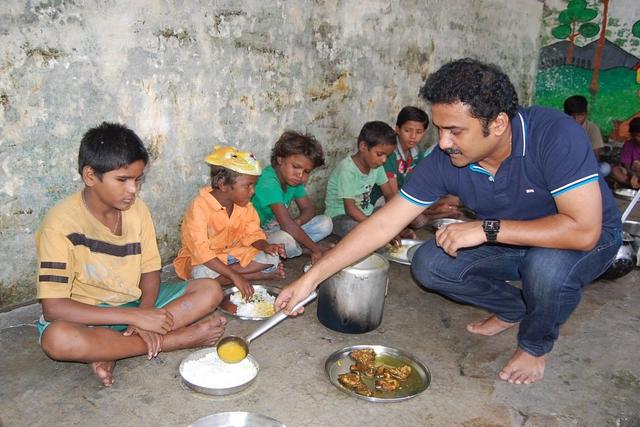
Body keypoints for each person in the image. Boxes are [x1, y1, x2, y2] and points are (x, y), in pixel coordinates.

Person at [276, 58, 622, 386]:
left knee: (546, 269)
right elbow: (383, 224)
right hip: (515, 241)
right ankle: (512, 308)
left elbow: (583, 231)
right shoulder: (447, 158)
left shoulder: (554, 136)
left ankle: (534, 345)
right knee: (429, 264)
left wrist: (487, 229)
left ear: (498, 124)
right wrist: (312, 279)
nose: (442, 143)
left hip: (585, 241)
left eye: (455, 131)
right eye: (439, 129)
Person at [36, 122, 227, 387]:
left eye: (137, 179)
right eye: (122, 180)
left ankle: (111, 349)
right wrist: (133, 318)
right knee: (57, 340)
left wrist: (145, 313)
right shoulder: (60, 224)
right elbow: (53, 307)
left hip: (133, 303)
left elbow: (150, 270)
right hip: (88, 315)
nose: (133, 190)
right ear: (90, 176)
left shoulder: (138, 211)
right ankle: (176, 341)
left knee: (210, 290)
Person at [173, 145, 286, 299]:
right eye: (248, 186)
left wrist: (266, 246)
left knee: (272, 257)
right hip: (206, 261)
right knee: (201, 275)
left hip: (235, 255)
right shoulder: (199, 207)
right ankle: (253, 275)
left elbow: (252, 234)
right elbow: (202, 253)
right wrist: (235, 276)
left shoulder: (245, 205)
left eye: (254, 185)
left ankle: (230, 277)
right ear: (223, 184)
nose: (253, 191)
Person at [371, 106, 463, 228]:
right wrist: (431, 208)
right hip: (385, 202)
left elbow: (420, 187)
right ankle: (430, 217)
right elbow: (392, 196)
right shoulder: (389, 153)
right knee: (418, 220)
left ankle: (428, 216)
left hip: (405, 199)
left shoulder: (416, 153)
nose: (413, 136)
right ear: (397, 129)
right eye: (408, 131)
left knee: (454, 199)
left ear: (424, 133)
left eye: (419, 132)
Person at [251, 131, 334, 264]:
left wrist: (297, 222)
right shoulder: (268, 182)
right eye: (296, 167)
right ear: (280, 159)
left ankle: (297, 247)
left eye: (306, 171)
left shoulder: (293, 180)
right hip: (257, 235)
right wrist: (315, 248)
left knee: (325, 223)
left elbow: (308, 209)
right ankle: (303, 249)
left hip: (279, 227)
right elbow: (286, 224)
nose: (300, 175)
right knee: (286, 240)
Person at [323, 120, 413, 240]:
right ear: (363, 147)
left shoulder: (377, 165)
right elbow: (350, 208)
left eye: (387, 156)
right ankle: (378, 237)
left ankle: (383, 235)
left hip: (366, 213)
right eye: (380, 154)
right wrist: (375, 226)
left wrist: (394, 218)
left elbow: (388, 193)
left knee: (388, 215)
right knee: (360, 231)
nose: (384, 160)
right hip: (341, 217)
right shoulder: (347, 169)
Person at [563, 95, 610, 177]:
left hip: (585, 168)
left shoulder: (592, 128)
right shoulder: (560, 127)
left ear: (586, 114)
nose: (576, 119)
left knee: (605, 168)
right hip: (565, 166)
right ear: (565, 114)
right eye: (572, 116)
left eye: (580, 115)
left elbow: (595, 159)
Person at [611, 117, 640, 190]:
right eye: (639, 136)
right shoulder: (629, 145)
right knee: (615, 170)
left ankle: (628, 186)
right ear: (632, 135)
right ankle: (634, 185)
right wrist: (634, 175)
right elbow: (627, 167)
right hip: (633, 176)